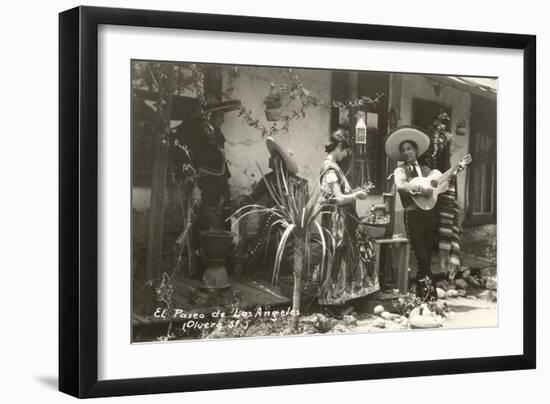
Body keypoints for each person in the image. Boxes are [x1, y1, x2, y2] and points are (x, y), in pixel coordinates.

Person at [318, 129, 378, 313]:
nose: (345, 155)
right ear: (338, 147)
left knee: (354, 254)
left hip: (343, 218)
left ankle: (349, 297)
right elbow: (339, 198)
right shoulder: (330, 169)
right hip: (337, 220)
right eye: (344, 151)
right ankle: (332, 302)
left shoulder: (334, 168)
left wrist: (353, 193)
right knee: (338, 258)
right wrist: (356, 195)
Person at [233, 136, 307, 279]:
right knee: (270, 218)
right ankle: (245, 256)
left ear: (280, 161)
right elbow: (252, 198)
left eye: (272, 157)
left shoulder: (298, 182)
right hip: (272, 219)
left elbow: (303, 207)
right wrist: (241, 203)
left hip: (291, 222)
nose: (269, 160)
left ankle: (248, 256)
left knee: (271, 218)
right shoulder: (268, 179)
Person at [384, 126, 437, 299]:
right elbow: (401, 185)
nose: (406, 152)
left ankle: (425, 295)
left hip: (429, 215)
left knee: (427, 255)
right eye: (403, 150)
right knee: (420, 254)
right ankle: (426, 294)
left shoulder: (426, 170)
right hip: (413, 216)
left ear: (416, 150)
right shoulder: (401, 170)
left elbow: (438, 183)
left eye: (409, 149)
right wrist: (421, 188)